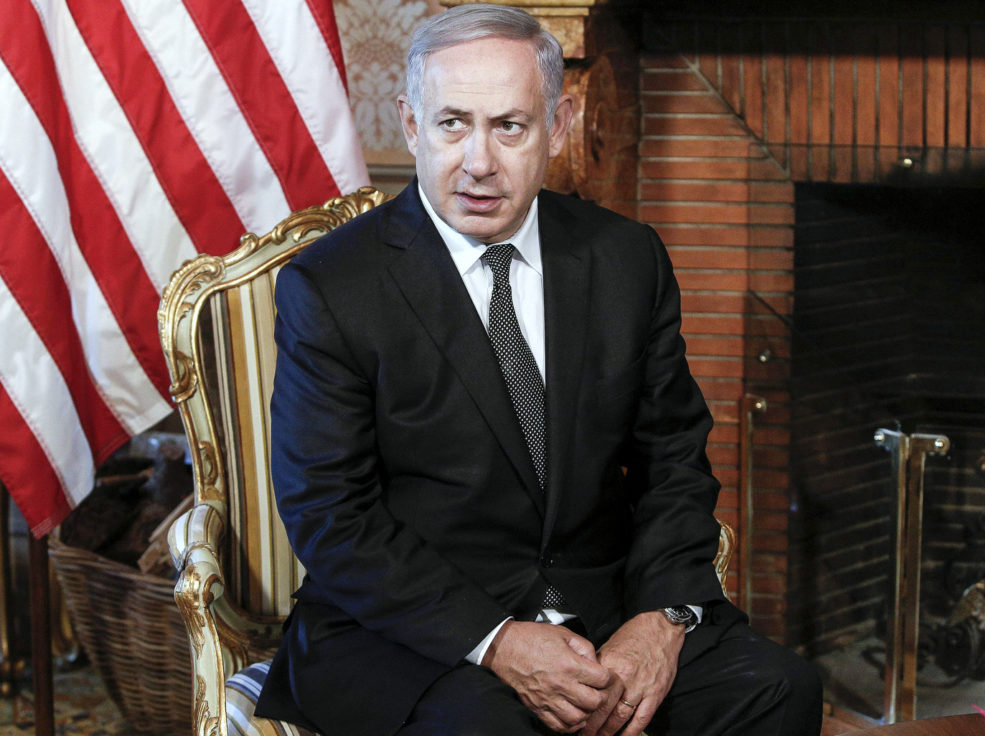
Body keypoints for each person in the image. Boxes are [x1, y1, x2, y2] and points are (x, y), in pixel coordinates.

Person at [255, 4, 822, 735]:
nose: (479, 161)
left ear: (558, 125)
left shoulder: (626, 259)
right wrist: (497, 641)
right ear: (409, 124)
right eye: (452, 123)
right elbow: (331, 516)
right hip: (408, 635)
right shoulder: (333, 287)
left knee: (780, 689)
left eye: (510, 126)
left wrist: (662, 619)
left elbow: (674, 464)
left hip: (608, 609)